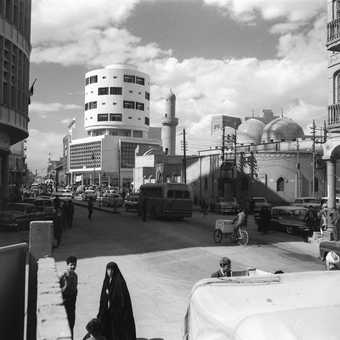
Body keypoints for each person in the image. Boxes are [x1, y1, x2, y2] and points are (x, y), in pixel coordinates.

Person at [97, 262, 136, 340]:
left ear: (115, 270)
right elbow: (103, 297)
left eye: (112, 269)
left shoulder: (120, 282)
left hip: (118, 312)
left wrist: (110, 295)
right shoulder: (106, 281)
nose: (110, 272)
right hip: (108, 311)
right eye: (108, 269)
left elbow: (122, 299)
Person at [60, 256, 78, 339]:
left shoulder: (75, 275)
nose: (73, 267)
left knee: (71, 327)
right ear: (67, 265)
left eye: (74, 265)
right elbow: (59, 290)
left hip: (72, 306)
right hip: (65, 306)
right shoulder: (63, 276)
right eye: (71, 265)